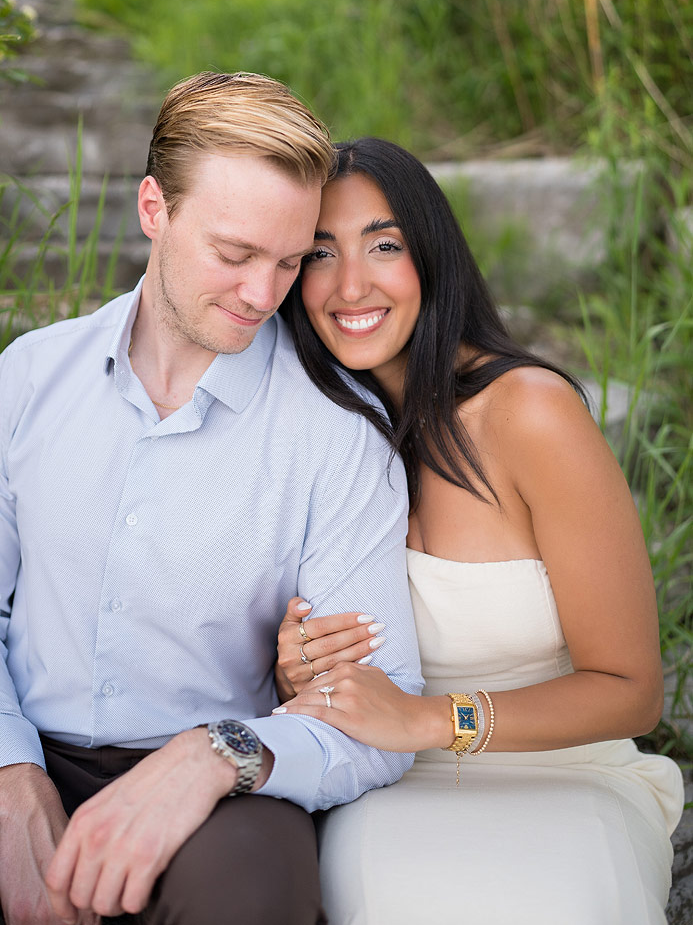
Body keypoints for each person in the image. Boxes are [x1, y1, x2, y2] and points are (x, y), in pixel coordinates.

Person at [0, 79, 425, 925]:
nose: (262, 295)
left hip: (231, 784)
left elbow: (381, 704)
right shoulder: (27, 379)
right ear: (153, 209)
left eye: (289, 262)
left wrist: (221, 755)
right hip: (25, 754)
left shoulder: (339, 434)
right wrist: (18, 793)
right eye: (235, 254)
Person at [272, 137, 685, 925]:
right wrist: (300, 672)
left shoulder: (527, 412)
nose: (349, 284)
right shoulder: (310, 437)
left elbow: (632, 691)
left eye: (383, 245)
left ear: (432, 255)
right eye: (319, 254)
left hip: (565, 778)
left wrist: (430, 719)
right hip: (388, 786)